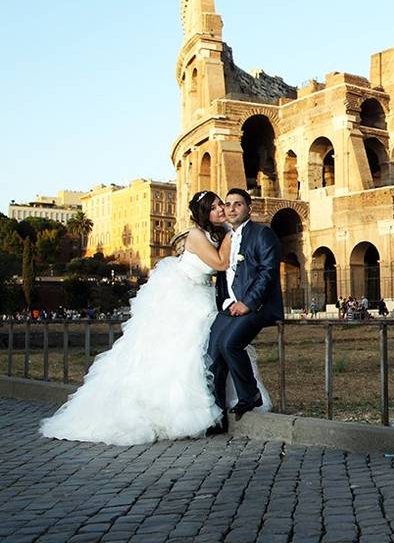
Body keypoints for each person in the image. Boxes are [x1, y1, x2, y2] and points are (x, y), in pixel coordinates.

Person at [41, 191, 269, 446]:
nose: (221, 210)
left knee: (208, 350)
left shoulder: (217, 233)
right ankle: (183, 411)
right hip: (184, 295)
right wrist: (232, 233)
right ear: (204, 213)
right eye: (215, 207)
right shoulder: (197, 235)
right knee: (184, 352)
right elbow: (219, 262)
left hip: (203, 294)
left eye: (221, 205)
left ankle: (221, 405)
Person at [208, 188, 282, 431]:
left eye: (237, 204)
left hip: (258, 306)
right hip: (230, 306)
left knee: (230, 344)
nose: (231, 208)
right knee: (213, 354)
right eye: (227, 204)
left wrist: (248, 303)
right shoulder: (229, 237)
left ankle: (250, 395)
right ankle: (217, 416)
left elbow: (267, 271)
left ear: (249, 209)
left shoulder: (262, 234)